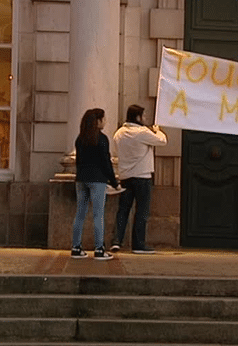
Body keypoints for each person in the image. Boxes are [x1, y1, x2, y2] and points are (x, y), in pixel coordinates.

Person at [111, 104, 167, 254]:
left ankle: (117, 241)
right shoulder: (142, 132)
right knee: (141, 211)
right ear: (138, 117)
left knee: (123, 210)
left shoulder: (119, 133)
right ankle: (138, 244)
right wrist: (157, 130)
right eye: (143, 116)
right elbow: (162, 141)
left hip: (125, 176)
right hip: (142, 176)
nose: (145, 118)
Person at [71, 108, 121, 261]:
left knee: (80, 213)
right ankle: (99, 249)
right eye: (103, 119)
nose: (105, 121)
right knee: (98, 215)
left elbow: (78, 161)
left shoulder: (80, 138)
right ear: (98, 121)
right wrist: (114, 181)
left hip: (81, 178)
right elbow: (106, 163)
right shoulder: (102, 139)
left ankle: (76, 247)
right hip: (97, 179)